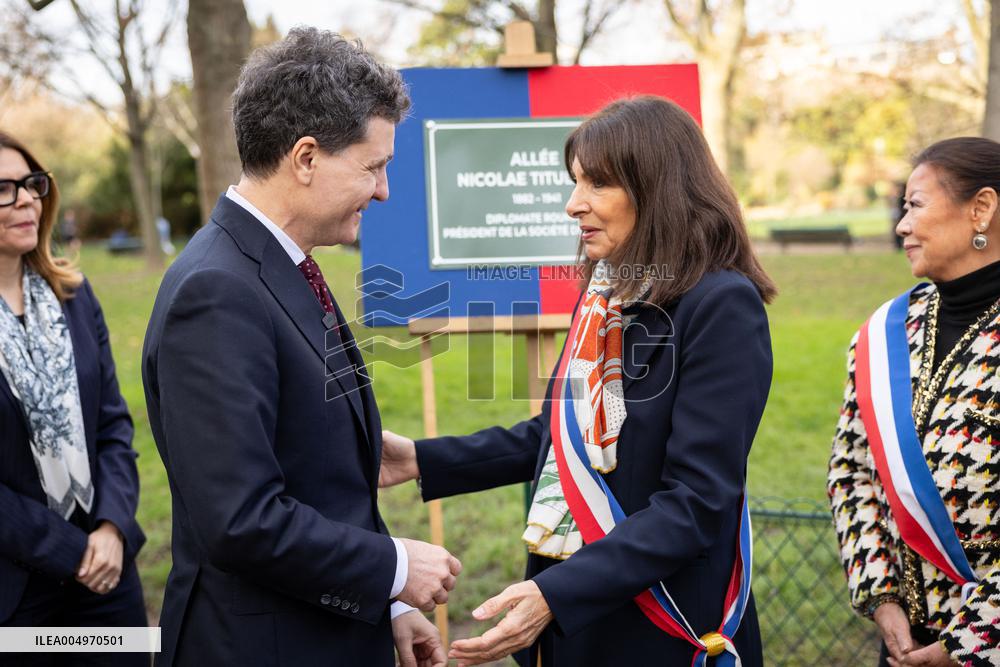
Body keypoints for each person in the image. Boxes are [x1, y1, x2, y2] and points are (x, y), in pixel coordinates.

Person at [381, 96, 777, 666]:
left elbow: (696, 503)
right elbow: (557, 440)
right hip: (574, 626)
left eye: (596, 185)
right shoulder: (605, 299)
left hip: (659, 632)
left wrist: (554, 596)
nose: (573, 205)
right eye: (574, 183)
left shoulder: (721, 306)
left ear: (656, 189)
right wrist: (419, 458)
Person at [141, 28, 457, 667]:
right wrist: (393, 568)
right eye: (374, 167)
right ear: (306, 157)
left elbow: (315, 480)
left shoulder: (282, 264)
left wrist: (385, 605)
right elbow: (241, 519)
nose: (384, 190)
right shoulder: (217, 291)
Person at [828, 137, 1000, 667]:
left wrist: (969, 643)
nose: (901, 226)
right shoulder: (884, 332)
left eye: (915, 206)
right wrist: (882, 600)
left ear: (981, 209)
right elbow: (852, 471)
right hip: (904, 644)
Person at [0, 131, 147, 664]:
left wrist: (111, 527)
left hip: (108, 576)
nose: (25, 199)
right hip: (16, 595)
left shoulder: (75, 296)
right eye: (3, 188)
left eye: (31, 184)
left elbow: (112, 426)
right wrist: (72, 551)